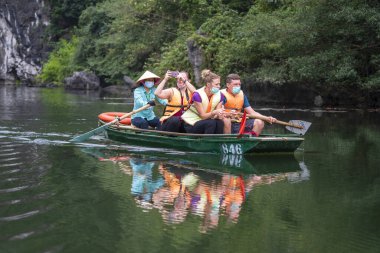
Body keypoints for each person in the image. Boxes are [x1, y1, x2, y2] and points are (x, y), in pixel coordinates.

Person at [181, 69, 225, 134]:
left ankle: (217, 143)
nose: (219, 86)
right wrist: (214, 113)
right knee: (211, 123)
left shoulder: (221, 95)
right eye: (216, 84)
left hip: (206, 121)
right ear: (208, 84)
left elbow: (216, 115)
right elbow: (203, 116)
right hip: (191, 124)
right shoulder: (197, 95)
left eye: (219, 84)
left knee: (220, 123)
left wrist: (220, 115)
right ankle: (207, 143)